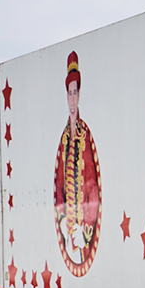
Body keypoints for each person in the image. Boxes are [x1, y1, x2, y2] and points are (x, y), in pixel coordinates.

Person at [54, 52, 102, 275]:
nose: (72, 98)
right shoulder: (64, 139)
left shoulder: (85, 136)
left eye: (76, 92)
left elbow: (93, 187)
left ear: (80, 95)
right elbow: (59, 187)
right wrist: (63, 220)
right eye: (69, 93)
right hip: (70, 230)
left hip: (83, 231)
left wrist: (86, 228)